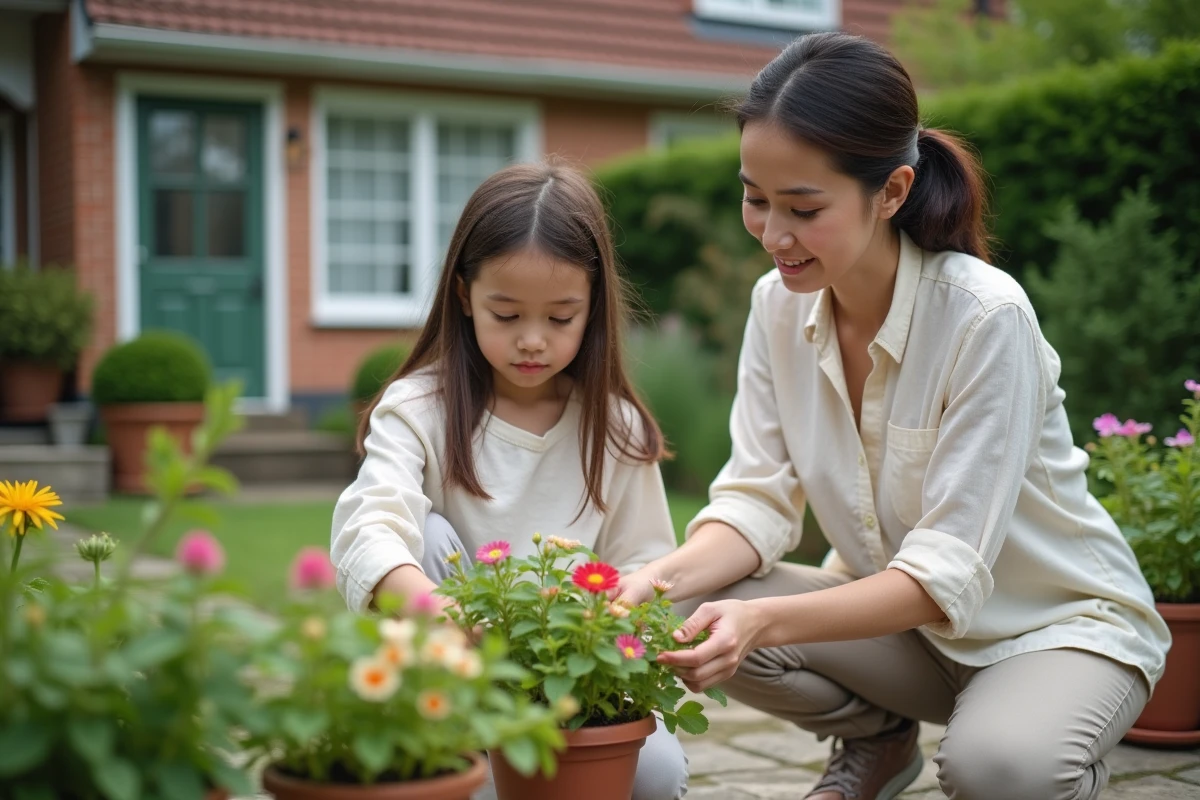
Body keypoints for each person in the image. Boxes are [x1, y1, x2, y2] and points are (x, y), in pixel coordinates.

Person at [616, 32, 1171, 800]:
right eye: (755, 198)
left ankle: (1049, 747)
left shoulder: (985, 318)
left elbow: (945, 572)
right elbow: (755, 502)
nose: (774, 235)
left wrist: (767, 624)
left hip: (1050, 630)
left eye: (804, 208)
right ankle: (878, 742)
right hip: (913, 641)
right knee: (689, 611)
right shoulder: (777, 308)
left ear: (891, 191)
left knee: (996, 771)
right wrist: (652, 582)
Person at [330, 162, 687, 799]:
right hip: (451, 664)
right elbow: (371, 524)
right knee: (427, 532)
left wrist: (607, 623)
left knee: (656, 776)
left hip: (571, 675)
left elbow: (646, 564)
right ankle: (459, 754)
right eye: (506, 313)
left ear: (593, 305)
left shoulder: (616, 426)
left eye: (559, 318)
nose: (532, 341)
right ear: (465, 296)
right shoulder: (419, 409)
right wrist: (435, 611)